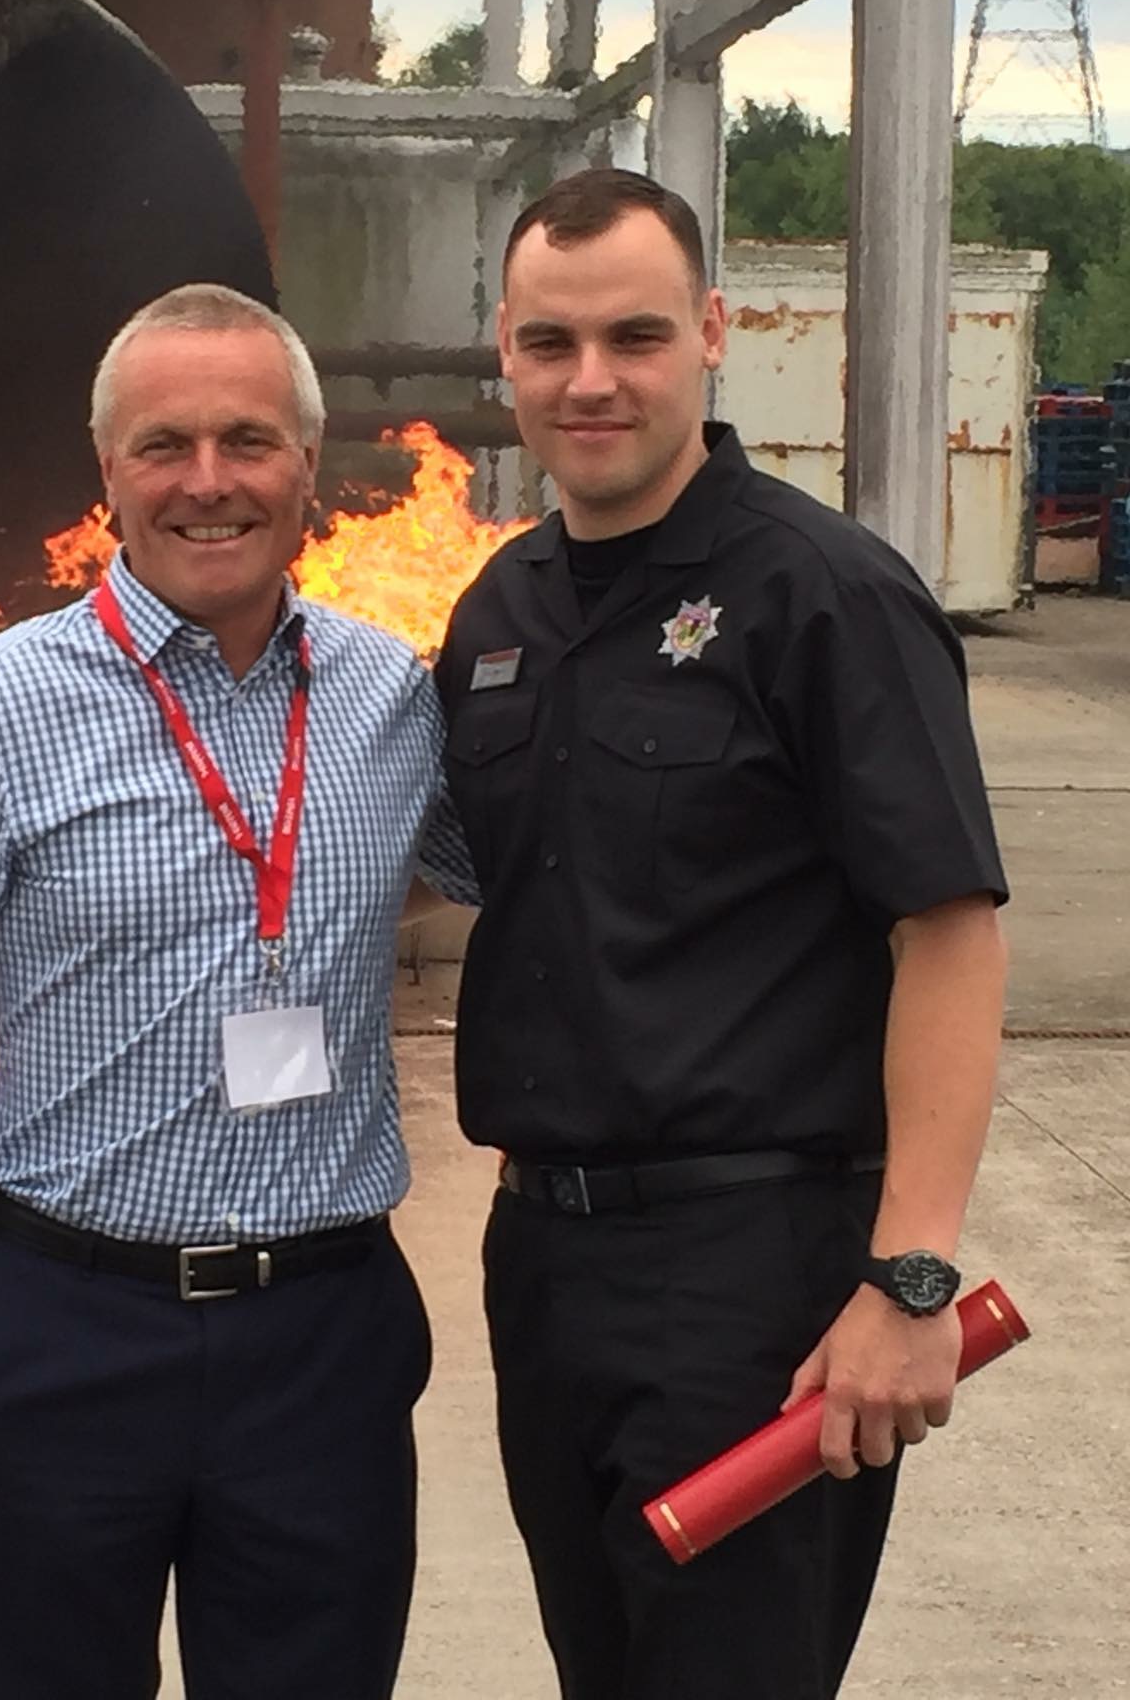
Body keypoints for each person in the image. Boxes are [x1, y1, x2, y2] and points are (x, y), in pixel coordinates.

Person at [0, 282, 473, 1700]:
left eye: (248, 440)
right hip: (61, 1330)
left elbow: (474, 871)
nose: (207, 482)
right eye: (162, 444)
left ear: (308, 465)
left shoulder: (389, 696)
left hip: (323, 1339)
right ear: (105, 469)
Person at [432, 168, 1009, 1700]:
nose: (592, 380)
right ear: (506, 349)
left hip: (758, 1279)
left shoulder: (823, 597)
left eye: (634, 335)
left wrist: (912, 1276)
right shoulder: (498, 614)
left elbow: (948, 933)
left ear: (712, 331)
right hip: (544, 1263)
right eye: (551, 344)